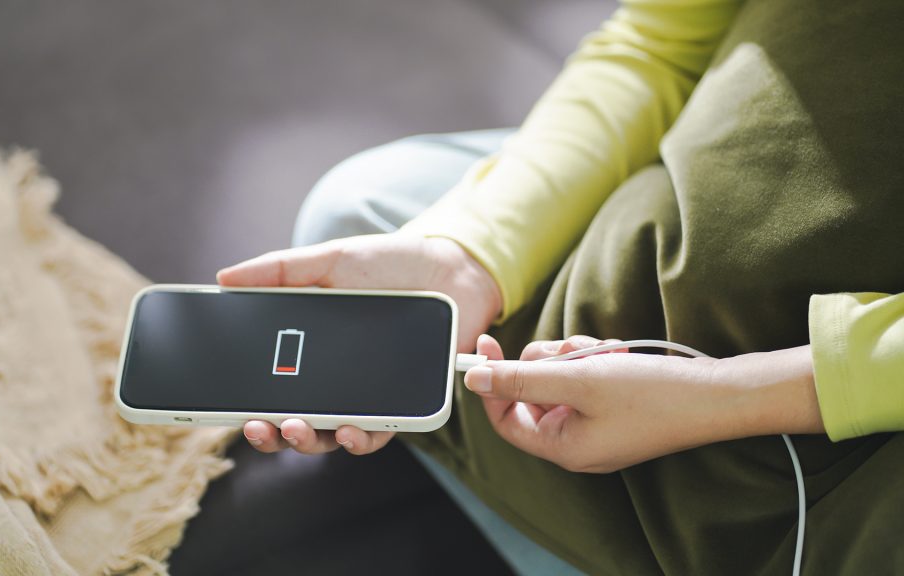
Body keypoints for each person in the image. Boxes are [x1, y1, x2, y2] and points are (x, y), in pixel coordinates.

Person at [217, 1, 904, 573]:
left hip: (856, 440)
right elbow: (660, 46)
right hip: (636, 269)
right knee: (358, 212)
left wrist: (731, 396)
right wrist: (469, 253)